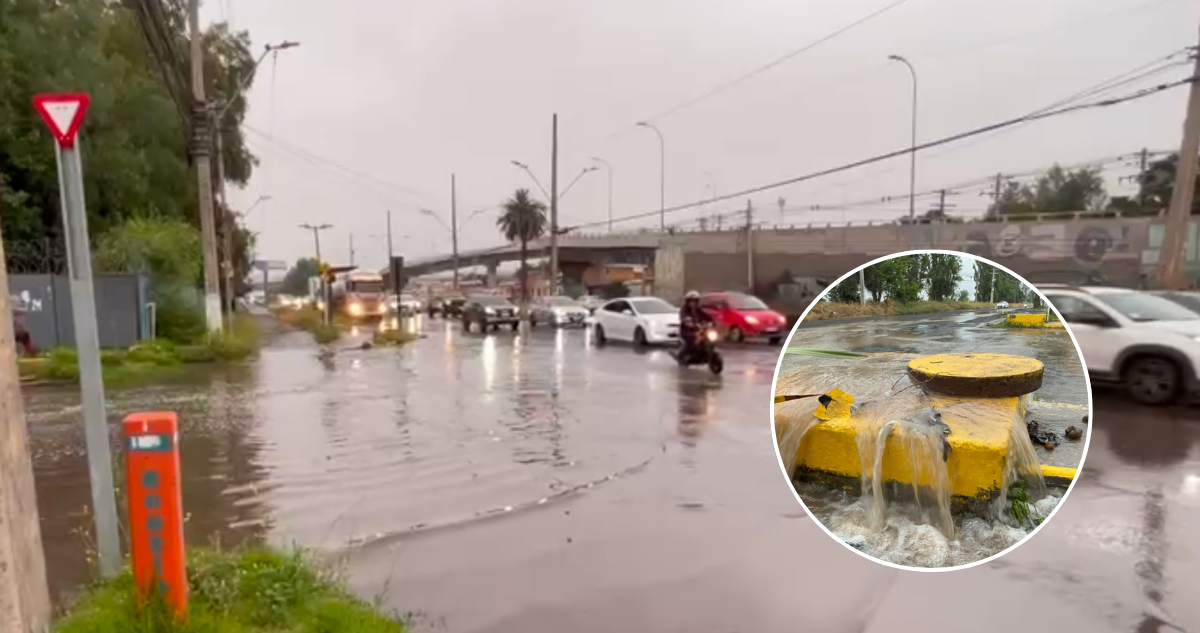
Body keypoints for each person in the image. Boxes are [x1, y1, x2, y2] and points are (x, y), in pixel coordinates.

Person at [678, 290, 713, 360]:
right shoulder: (684, 310)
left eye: (694, 301)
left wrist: (711, 321)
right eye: (691, 301)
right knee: (693, 339)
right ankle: (686, 355)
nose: (693, 303)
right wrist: (689, 323)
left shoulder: (698, 310)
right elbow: (684, 319)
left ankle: (705, 352)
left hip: (699, 330)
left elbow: (706, 316)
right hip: (687, 331)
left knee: (708, 338)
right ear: (687, 302)